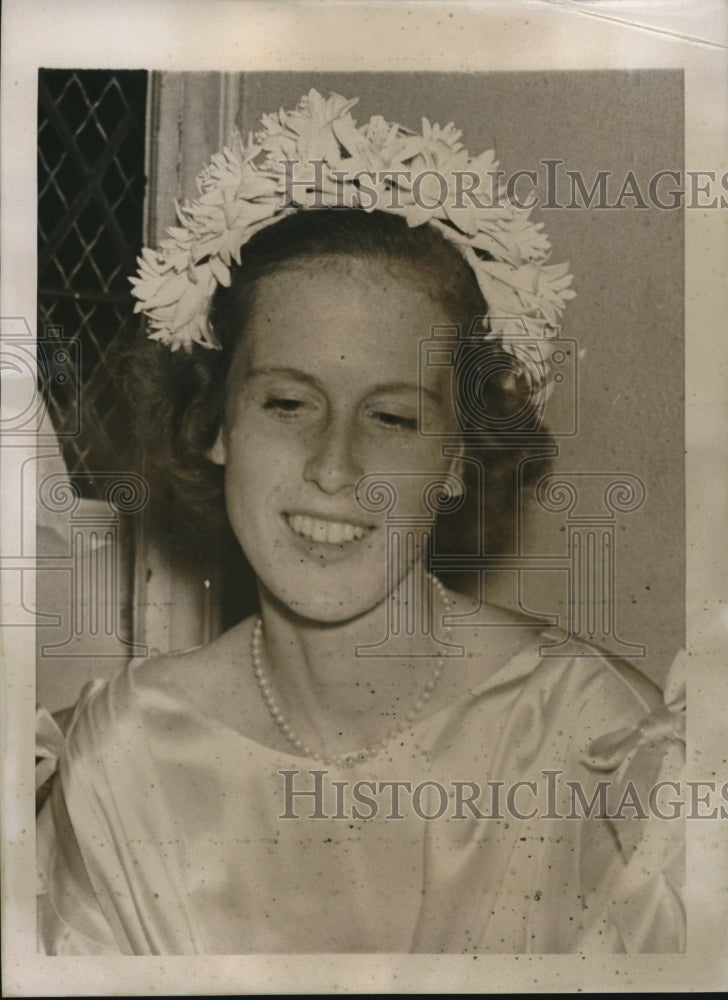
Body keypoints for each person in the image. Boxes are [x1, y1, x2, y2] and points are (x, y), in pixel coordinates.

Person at [35, 89, 685, 954]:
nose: (334, 468)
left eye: (393, 418)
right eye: (289, 402)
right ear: (214, 422)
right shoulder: (124, 759)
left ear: (460, 454)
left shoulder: (593, 739)